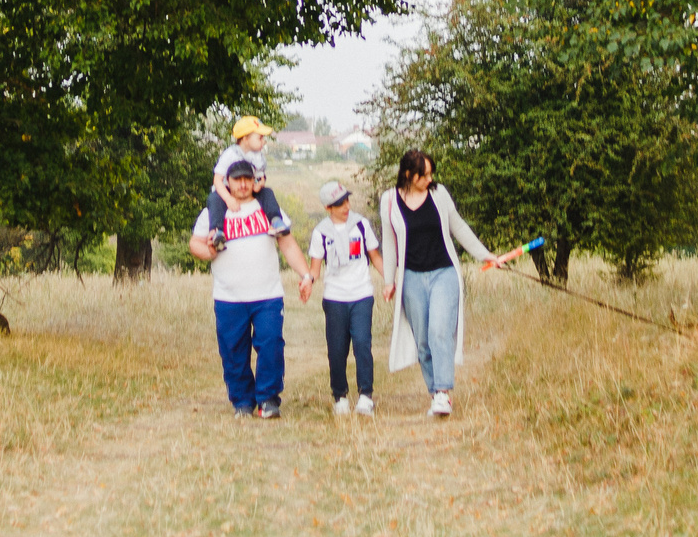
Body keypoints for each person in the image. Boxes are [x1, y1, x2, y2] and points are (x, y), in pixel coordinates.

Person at [189, 159, 315, 418]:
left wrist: (306, 275)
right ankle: (242, 402)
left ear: (255, 180)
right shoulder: (214, 212)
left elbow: (288, 245)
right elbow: (195, 244)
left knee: (271, 344)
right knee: (233, 350)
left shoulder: (268, 208)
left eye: (248, 178)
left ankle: (268, 399)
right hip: (229, 296)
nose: (244, 184)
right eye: (237, 179)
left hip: (267, 294)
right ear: (228, 182)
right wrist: (209, 251)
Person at [378, 149, 495, 418]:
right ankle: (435, 394)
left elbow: (459, 227)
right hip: (411, 277)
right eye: (424, 175)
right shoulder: (389, 201)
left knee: (440, 331)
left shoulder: (439, 194)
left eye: (431, 173)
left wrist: (485, 254)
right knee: (423, 341)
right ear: (409, 175)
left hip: (444, 272)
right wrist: (388, 280)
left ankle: (443, 392)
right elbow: (389, 241)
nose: (430, 179)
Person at [306, 178, 382, 414]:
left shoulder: (361, 225)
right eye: (339, 204)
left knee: (362, 343)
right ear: (328, 208)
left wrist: (392, 279)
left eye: (347, 201)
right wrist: (307, 282)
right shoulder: (321, 232)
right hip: (335, 297)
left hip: (361, 294)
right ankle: (340, 397)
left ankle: (366, 396)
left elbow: (375, 256)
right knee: (337, 349)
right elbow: (315, 269)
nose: (346, 207)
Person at [200, 115, 289, 241]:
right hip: (226, 189)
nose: (263, 141)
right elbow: (217, 180)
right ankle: (216, 231)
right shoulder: (230, 155)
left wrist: (260, 184)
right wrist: (228, 198)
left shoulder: (259, 157)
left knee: (267, 193)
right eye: (260, 137)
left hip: (249, 188)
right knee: (214, 200)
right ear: (245, 138)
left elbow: (260, 176)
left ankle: (276, 221)